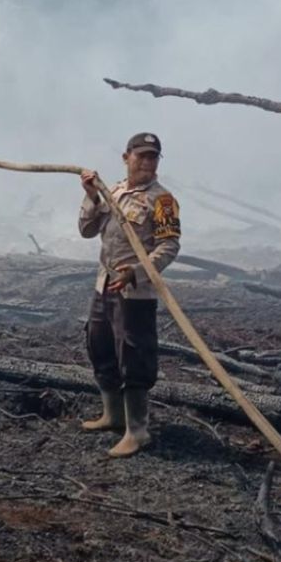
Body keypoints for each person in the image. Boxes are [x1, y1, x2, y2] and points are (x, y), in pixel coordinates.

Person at [78, 132, 180, 457]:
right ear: (126, 157)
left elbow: (169, 246)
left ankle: (137, 431)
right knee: (100, 344)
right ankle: (112, 415)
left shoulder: (162, 200)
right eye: (142, 156)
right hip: (104, 283)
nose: (147, 163)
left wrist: (136, 271)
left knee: (135, 355)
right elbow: (86, 230)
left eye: (153, 157)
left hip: (136, 292)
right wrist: (92, 196)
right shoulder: (114, 192)